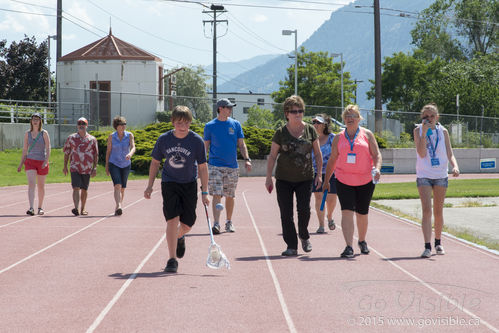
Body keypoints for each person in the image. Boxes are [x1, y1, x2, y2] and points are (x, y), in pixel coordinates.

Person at [144, 106, 209, 273]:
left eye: (186, 122)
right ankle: (172, 259)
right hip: (170, 183)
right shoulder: (164, 139)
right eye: (180, 122)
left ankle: (180, 235)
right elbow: (155, 163)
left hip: (189, 184)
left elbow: (202, 167)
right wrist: (150, 186)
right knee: (172, 219)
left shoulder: (196, 141)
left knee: (188, 222)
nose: (183, 125)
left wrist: (205, 191)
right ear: (173, 122)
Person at [265, 95, 322, 256]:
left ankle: (304, 236)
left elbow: (317, 154)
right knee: (286, 213)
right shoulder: (280, 132)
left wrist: (319, 175)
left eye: (301, 111)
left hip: (305, 178)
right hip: (283, 179)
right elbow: (272, 156)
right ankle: (291, 245)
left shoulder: (310, 130)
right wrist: (269, 177)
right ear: (287, 113)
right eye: (294, 111)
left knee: (304, 210)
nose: (298, 114)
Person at [323, 104, 382, 258]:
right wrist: (326, 180)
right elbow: (333, 159)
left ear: (358, 119)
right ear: (343, 119)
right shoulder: (338, 137)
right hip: (343, 180)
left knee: (362, 213)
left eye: (353, 116)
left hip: (365, 180)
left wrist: (377, 168)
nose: (350, 118)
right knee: (346, 212)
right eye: (347, 116)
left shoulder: (367, 134)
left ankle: (362, 241)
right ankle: (349, 246)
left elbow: (376, 155)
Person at [414, 103, 459, 258]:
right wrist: (423, 134)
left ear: (437, 117)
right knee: (427, 210)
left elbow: (449, 152)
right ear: (422, 118)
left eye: (432, 116)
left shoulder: (443, 131)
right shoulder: (418, 130)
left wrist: (455, 166)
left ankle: (438, 242)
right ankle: (427, 246)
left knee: (438, 211)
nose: (429, 119)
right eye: (426, 116)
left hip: (441, 175)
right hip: (424, 174)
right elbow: (421, 153)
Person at [203, 98, 252, 234]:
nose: (230, 110)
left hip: (232, 166)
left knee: (230, 195)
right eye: (228, 107)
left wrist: (247, 159)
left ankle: (228, 222)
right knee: (217, 194)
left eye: (231, 107)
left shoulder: (236, 124)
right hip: (214, 165)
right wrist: (201, 164)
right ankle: (216, 223)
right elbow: (205, 146)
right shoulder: (210, 126)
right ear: (220, 108)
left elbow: (241, 144)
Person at [63, 117, 98, 216]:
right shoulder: (71, 138)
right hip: (75, 167)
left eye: (83, 124)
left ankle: (83, 209)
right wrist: (65, 166)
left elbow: (96, 154)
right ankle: (76, 208)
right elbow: (67, 153)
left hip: (87, 168)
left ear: (87, 126)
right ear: (77, 126)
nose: (81, 125)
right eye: (79, 124)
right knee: (76, 187)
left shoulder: (92, 139)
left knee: (84, 189)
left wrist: (94, 168)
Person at [17, 113, 51, 215]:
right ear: (31, 121)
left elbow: (48, 147)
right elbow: (25, 149)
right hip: (30, 161)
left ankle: (40, 207)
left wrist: (46, 160)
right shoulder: (27, 134)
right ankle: (31, 207)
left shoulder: (44, 133)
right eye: (33, 119)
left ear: (40, 121)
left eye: (37, 119)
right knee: (31, 184)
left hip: (41, 161)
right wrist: (20, 163)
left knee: (41, 186)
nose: (35, 121)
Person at [311, 114, 338, 233]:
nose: (316, 125)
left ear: (325, 125)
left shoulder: (333, 138)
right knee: (319, 197)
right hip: (316, 172)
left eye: (318, 122)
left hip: (331, 172)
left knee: (330, 199)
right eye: (314, 122)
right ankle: (321, 225)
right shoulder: (310, 138)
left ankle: (330, 216)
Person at [105, 116, 136, 216]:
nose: (123, 126)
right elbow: (108, 151)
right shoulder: (111, 136)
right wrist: (106, 165)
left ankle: (119, 205)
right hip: (114, 163)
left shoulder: (129, 135)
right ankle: (118, 205)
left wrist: (130, 154)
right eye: (121, 124)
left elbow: (133, 147)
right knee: (117, 185)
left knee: (122, 188)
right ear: (116, 126)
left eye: (124, 124)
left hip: (126, 164)